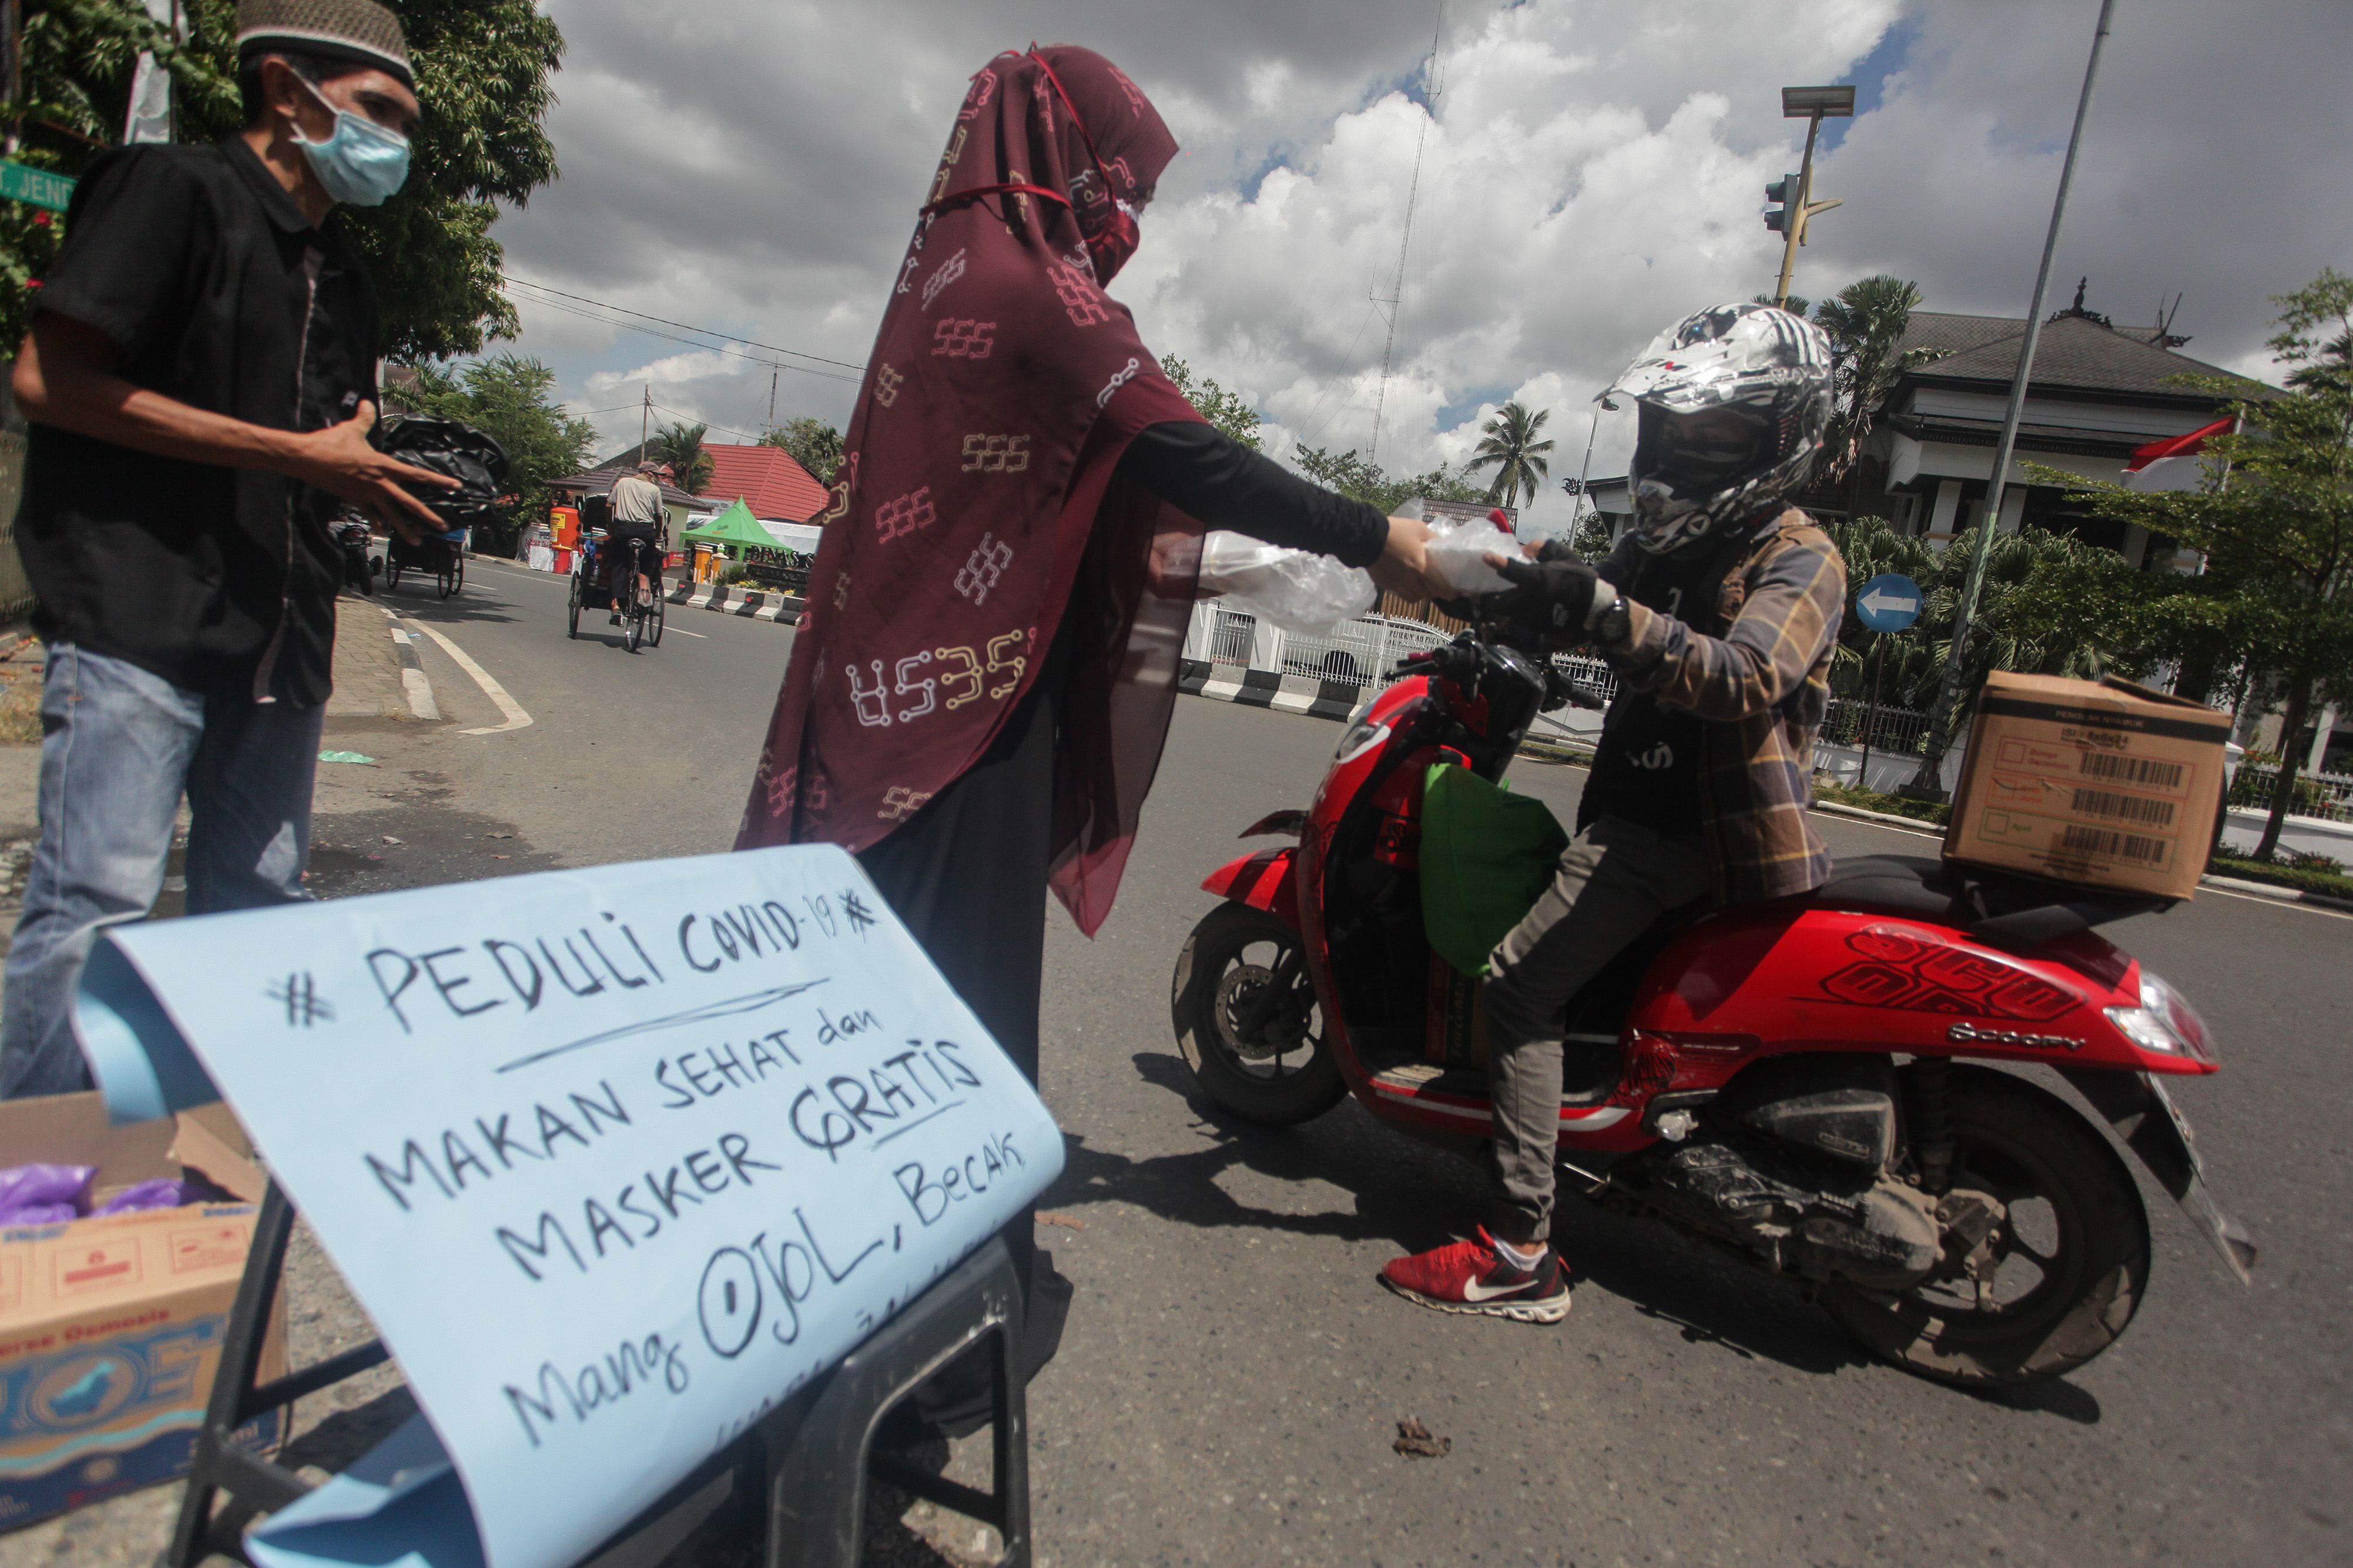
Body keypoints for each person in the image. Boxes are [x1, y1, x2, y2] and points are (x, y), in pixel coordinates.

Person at [736, 45, 1446, 1432]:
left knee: (889, 996)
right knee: (961, 1009)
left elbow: (1064, 487)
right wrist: (1384, 537)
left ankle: (839, 1290)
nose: (1124, 211)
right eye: (1120, 179)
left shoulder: (942, 263)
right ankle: (934, 1339)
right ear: (1066, 152)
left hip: (886, 705)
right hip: (965, 721)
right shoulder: (1033, 284)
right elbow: (1178, 448)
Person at [0, 0, 454, 1099]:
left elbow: (322, 451)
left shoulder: (343, 275)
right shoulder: (173, 194)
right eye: (375, 111)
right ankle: (38, 1189)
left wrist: (373, 485)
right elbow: (47, 381)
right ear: (289, 91)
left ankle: (209, 1160)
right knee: (97, 904)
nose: (391, 143)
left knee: (258, 908)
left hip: (281, 636)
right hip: (137, 617)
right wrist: (299, 455)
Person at [1380, 302, 1847, 1322]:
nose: (1681, 453)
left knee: (1515, 987)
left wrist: (1597, 607)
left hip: (1684, 834)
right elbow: (1568, 597)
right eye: (1671, 430)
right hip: (1634, 814)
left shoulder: (1798, 556)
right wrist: (1468, 573)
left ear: (1781, 440)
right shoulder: (1660, 544)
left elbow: (1741, 673)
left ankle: (1517, 1250)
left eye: (1713, 435)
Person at [604, 461, 667, 624]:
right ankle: (644, 584)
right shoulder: (654, 490)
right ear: (648, 474)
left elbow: (609, 505)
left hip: (623, 530)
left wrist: (610, 526)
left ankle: (617, 605)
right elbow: (659, 516)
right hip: (645, 532)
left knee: (620, 564)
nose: (657, 479)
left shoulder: (623, 482)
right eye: (656, 476)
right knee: (647, 562)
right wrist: (659, 533)